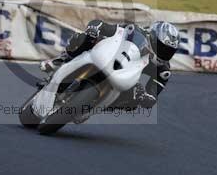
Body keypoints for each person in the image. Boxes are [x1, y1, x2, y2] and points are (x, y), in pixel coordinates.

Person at [40, 20, 180, 109]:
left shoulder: (163, 69)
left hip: (125, 77)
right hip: (109, 55)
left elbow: (153, 94)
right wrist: (95, 29)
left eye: (169, 51)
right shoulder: (136, 31)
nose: (164, 52)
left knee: (133, 101)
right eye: (162, 47)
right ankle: (61, 60)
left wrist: (146, 97)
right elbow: (105, 27)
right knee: (84, 38)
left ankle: (97, 105)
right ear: (154, 38)